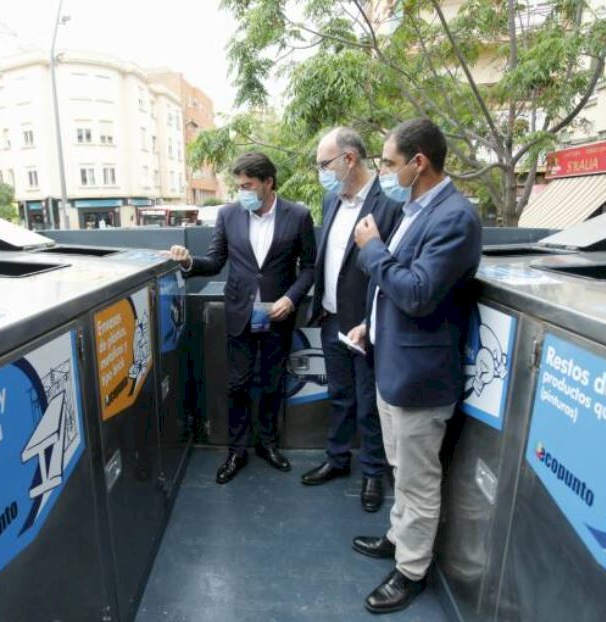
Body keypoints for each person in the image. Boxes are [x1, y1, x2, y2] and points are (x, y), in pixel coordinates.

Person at [348, 118, 482, 613]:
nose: (383, 172)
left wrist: (372, 248)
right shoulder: (412, 210)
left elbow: (419, 293)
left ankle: (411, 570)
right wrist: (369, 323)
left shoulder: (455, 218)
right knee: (400, 469)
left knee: (418, 479)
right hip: (392, 364)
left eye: (389, 163)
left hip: (420, 379)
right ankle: (397, 537)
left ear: (418, 162)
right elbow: (393, 288)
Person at [169, 152, 316, 484]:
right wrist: (188, 262)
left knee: (272, 382)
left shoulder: (298, 215)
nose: (242, 192)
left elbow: (309, 267)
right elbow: (215, 261)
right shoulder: (228, 214)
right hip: (240, 313)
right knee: (237, 385)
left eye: (248, 185)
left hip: (278, 315)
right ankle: (237, 451)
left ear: (268, 182)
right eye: (239, 186)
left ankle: (267, 444)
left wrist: (291, 298)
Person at [300, 127, 401, 514]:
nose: (320, 172)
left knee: (369, 403)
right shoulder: (331, 199)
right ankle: (338, 458)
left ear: (349, 159)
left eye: (323, 164)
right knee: (339, 395)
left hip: (366, 324)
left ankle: (373, 472)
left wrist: (372, 323)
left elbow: (391, 265)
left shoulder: (388, 202)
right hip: (331, 318)